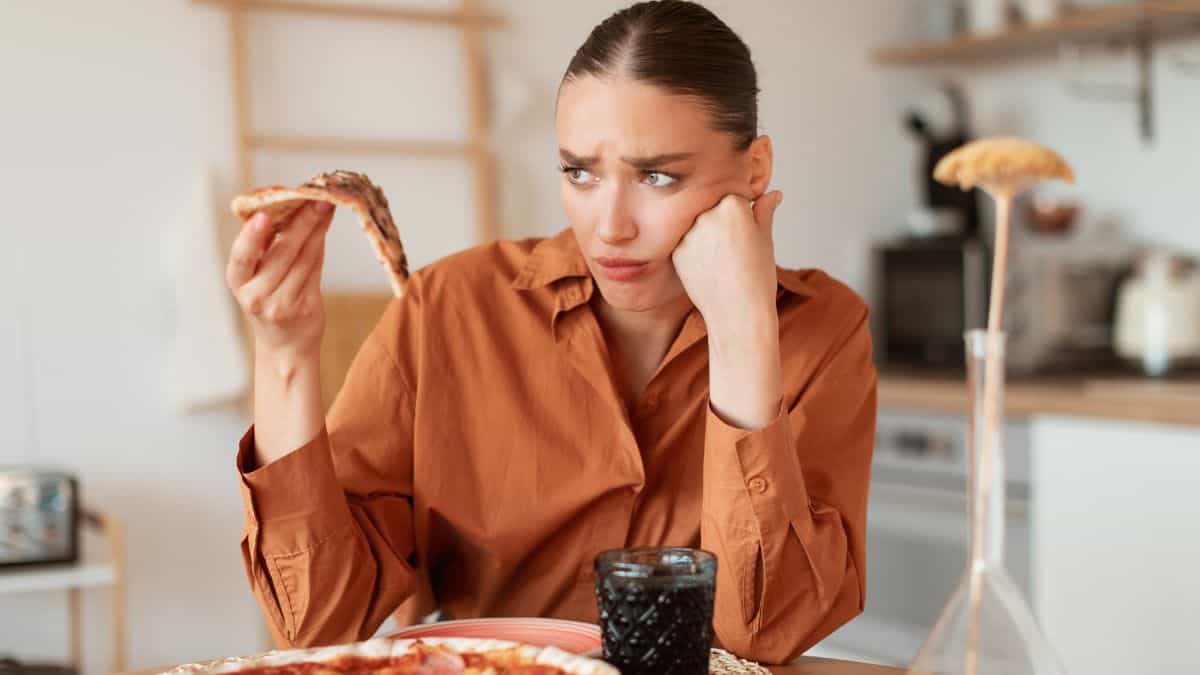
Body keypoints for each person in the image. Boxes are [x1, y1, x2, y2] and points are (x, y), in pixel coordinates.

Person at [224, 0, 876, 665]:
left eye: (657, 176)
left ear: (755, 169)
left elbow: (766, 632)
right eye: (580, 173)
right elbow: (315, 626)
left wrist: (742, 333)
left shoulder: (822, 327)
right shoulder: (448, 307)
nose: (611, 225)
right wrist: (285, 352)